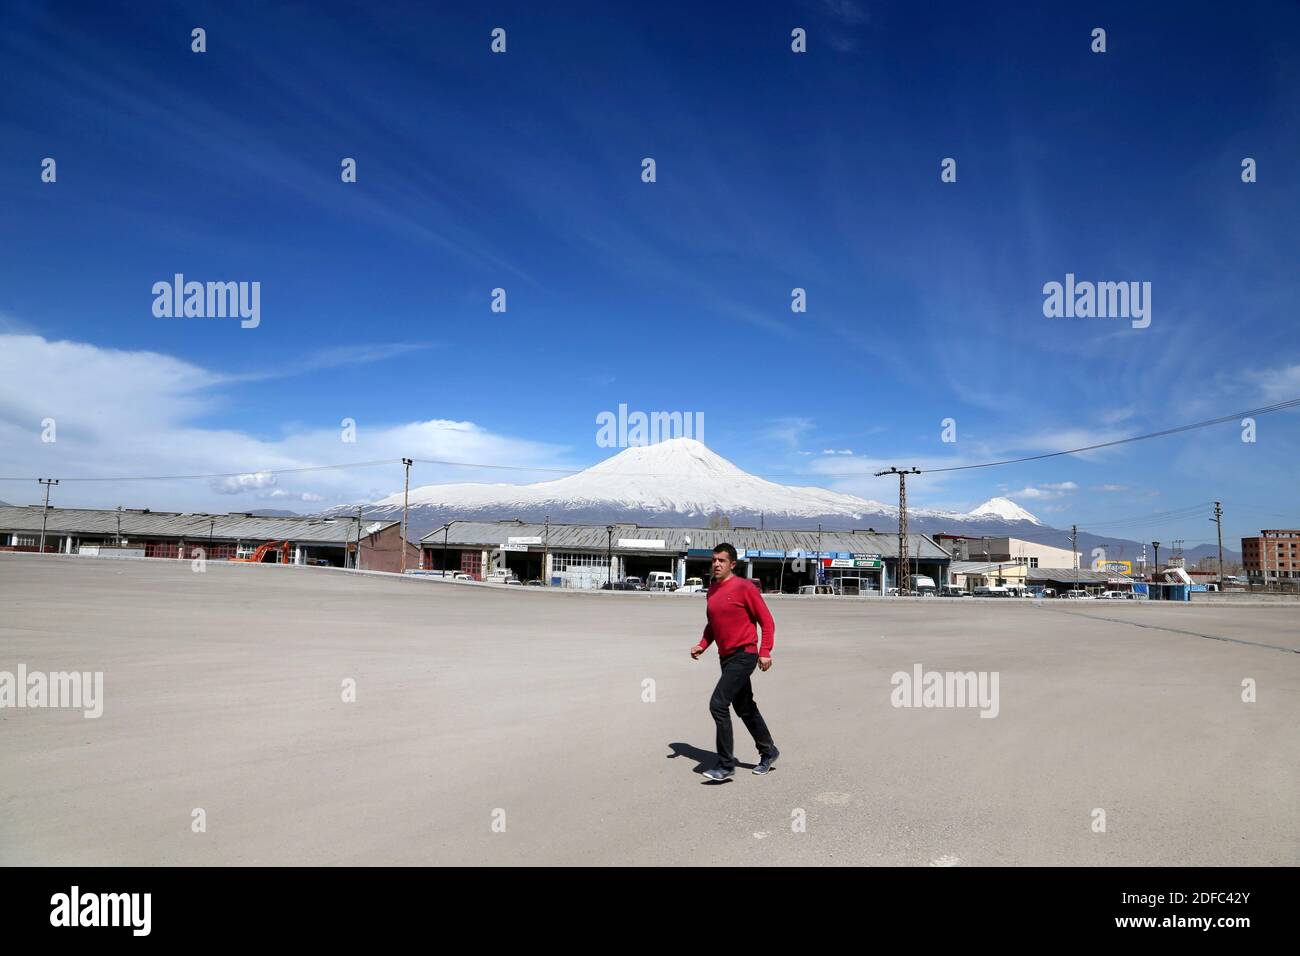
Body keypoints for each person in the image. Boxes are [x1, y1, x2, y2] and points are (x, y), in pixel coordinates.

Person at [690, 543, 779, 782]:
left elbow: (767, 621)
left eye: (721, 560)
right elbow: (713, 623)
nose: (716, 564)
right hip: (726, 656)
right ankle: (769, 751)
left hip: (745, 654)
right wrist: (702, 644)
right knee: (744, 707)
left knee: (718, 704)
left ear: (732, 564)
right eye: (714, 560)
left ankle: (726, 764)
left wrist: (765, 651)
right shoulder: (712, 590)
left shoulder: (744, 588)